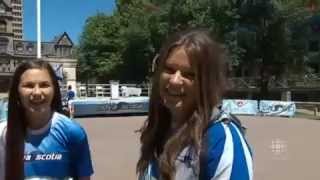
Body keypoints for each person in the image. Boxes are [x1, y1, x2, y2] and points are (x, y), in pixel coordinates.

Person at [137, 28, 253, 180]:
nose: (174, 80)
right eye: (169, 69)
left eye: (189, 74)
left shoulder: (222, 141)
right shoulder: (159, 129)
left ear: (207, 83)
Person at [0, 60, 94, 180]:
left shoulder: (72, 131)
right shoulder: (4, 134)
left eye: (44, 85)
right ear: (17, 92)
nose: (37, 92)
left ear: (54, 90)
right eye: (28, 85)